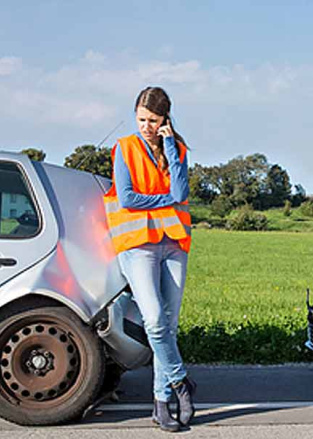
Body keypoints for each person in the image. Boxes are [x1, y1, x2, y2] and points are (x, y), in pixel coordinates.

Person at [103, 86, 195, 432]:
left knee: (168, 326)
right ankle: (182, 382)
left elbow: (182, 193)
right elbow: (126, 198)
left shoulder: (178, 148)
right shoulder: (124, 148)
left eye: (153, 120)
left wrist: (170, 145)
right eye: (141, 119)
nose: (146, 126)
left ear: (165, 120)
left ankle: (161, 403)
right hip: (137, 244)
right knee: (154, 320)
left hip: (174, 244)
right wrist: (165, 198)